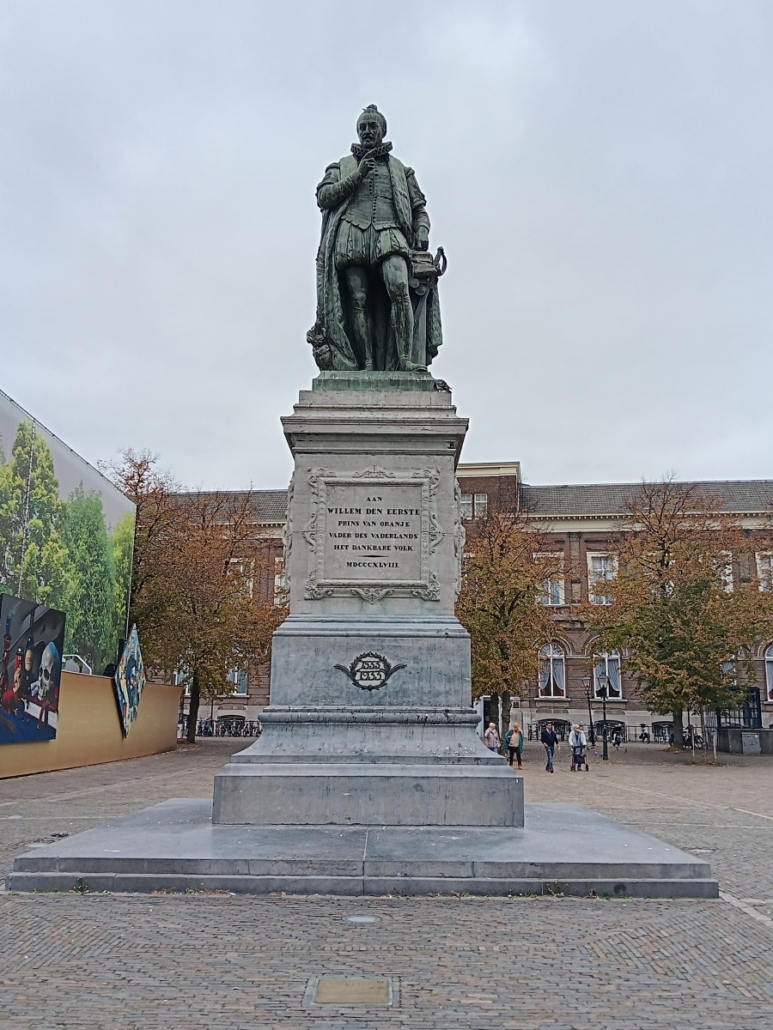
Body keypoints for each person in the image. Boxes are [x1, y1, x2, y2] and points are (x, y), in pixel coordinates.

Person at [308, 105, 443, 373]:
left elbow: (419, 209)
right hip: (352, 232)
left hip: (389, 230)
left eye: (372, 126)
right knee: (358, 300)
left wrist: (422, 229)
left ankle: (404, 360)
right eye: (362, 127)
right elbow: (324, 197)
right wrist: (357, 176)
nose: (367, 131)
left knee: (399, 288)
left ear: (383, 130)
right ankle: (366, 364)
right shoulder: (341, 166)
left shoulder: (402, 170)